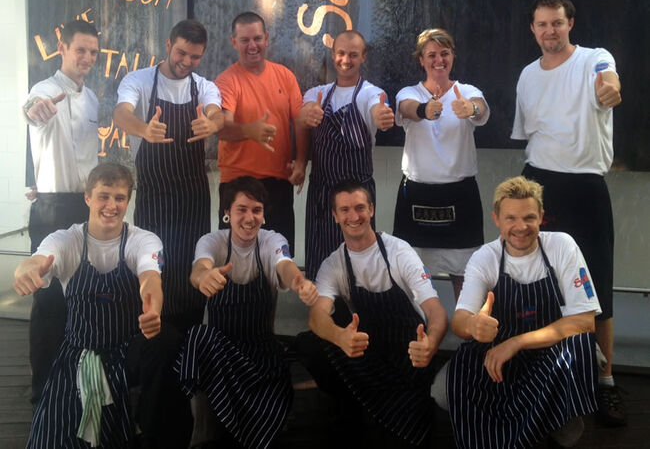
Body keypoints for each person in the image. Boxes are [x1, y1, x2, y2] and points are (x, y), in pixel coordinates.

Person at [13, 163, 192, 449]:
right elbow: (40, 258)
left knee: (167, 338)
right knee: (56, 438)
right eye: (103, 196)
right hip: (78, 355)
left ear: (128, 201)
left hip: (124, 353)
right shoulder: (67, 239)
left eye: (119, 198)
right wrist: (25, 269)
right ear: (87, 198)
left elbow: (150, 278)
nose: (111, 206)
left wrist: (153, 308)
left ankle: (153, 430)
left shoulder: (142, 240)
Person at [512, 0, 624, 426]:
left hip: (587, 188)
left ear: (569, 23)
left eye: (556, 23)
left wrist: (611, 88)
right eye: (542, 24)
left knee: (597, 288)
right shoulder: (526, 75)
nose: (549, 31)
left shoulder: (595, 58)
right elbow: (530, 134)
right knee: (538, 284)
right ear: (533, 29)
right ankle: (550, 376)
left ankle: (607, 383)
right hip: (539, 187)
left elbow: (608, 81)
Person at [446, 176, 600, 449]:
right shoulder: (485, 257)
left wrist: (516, 342)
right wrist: (474, 325)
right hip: (501, 357)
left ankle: (558, 423)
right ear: (496, 219)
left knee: (582, 347)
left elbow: (584, 322)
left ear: (541, 216)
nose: (520, 227)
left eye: (529, 217)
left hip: (550, 352)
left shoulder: (562, 246)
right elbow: (459, 320)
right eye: (510, 218)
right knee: (446, 387)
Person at [296, 179, 447, 447]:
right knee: (309, 344)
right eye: (344, 210)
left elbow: (435, 311)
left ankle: (379, 403)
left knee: (408, 432)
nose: (353, 216)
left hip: (409, 355)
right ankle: (351, 401)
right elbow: (317, 316)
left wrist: (431, 343)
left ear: (372, 209)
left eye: (360, 207)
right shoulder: (334, 264)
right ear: (335, 215)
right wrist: (340, 337)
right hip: (368, 350)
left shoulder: (399, 252)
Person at [174, 176, 318, 448]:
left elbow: (284, 264)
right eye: (242, 209)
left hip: (260, 354)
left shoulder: (271, 240)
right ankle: (201, 431)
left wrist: (298, 281)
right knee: (197, 336)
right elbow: (199, 269)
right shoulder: (213, 242)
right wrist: (203, 278)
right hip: (222, 354)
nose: (250, 218)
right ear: (227, 213)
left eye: (257, 210)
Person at [113, 19, 224, 333]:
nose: (186, 62)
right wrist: (144, 130)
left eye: (195, 57)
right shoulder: (139, 80)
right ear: (168, 46)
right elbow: (121, 113)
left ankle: (188, 341)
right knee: (153, 265)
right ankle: (153, 339)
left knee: (193, 267)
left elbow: (217, 112)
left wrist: (212, 124)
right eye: (181, 53)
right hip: (154, 196)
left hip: (192, 198)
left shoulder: (203, 86)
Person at [22, 19, 100, 406]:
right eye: (79, 50)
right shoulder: (45, 90)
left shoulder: (94, 99)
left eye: (92, 52)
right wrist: (35, 110)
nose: (86, 58)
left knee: (79, 294)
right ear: (63, 47)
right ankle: (42, 391)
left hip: (85, 206)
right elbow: (31, 111)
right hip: (53, 207)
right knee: (49, 296)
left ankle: (71, 377)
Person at [392, 28, 489, 300]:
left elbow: (480, 107)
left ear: (453, 57)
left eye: (444, 53)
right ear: (421, 60)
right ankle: (414, 336)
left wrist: (471, 109)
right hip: (417, 195)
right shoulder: (408, 92)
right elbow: (406, 108)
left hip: (460, 194)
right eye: (431, 55)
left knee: (467, 275)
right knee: (410, 274)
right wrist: (424, 110)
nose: (438, 60)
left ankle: (469, 337)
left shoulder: (467, 91)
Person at [299, 30, 395, 279]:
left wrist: (381, 116)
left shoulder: (370, 93)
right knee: (320, 266)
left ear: (363, 57)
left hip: (357, 199)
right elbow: (303, 112)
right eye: (341, 53)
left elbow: (377, 109)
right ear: (333, 55)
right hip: (322, 197)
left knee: (359, 262)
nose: (346, 59)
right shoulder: (317, 93)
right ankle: (321, 313)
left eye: (353, 54)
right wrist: (308, 113)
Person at [215, 11, 308, 254]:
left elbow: (300, 122)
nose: (252, 45)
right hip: (237, 183)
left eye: (257, 38)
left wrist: (301, 162)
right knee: (234, 258)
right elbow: (221, 127)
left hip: (278, 183)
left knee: (277, 261)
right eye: (245, 40)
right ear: (234, 42)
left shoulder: (285, 76)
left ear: (266, 38)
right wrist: (250, 131)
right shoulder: (226, 81)